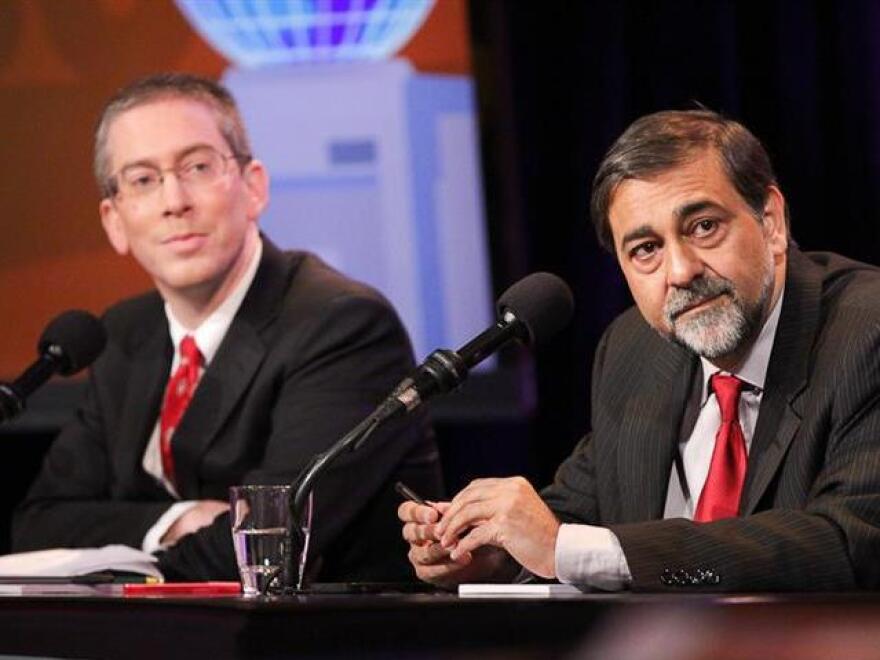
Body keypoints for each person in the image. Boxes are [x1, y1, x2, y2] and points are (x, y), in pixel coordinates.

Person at [400, 109, 880, 591]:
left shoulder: (865, 332)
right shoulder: (634, 349)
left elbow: (852, 542)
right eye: (646, 249)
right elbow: (576, 515)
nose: (680, 271)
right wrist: (493, 550)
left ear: (771, 222)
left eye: (704, 226)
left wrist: (566, 548)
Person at [12, 72, 443, 582]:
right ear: (115, 221)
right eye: (144, 179)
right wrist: (176, 520)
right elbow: (39, 526)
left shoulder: (343, 325)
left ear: (253, 186)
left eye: (196, 166)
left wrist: (119, 568)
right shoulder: (124, 334)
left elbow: (268, 544)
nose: (175, 200)